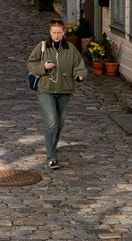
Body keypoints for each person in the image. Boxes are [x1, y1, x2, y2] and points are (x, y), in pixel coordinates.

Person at [27, 18, 87, 169]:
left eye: (59, 32)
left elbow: (79, 65)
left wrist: (80, 75)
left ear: (64, 32)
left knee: (59, 123)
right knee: (52, 122)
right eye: (53, 32)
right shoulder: (42, 47)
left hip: (64, 90)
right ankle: (51, 156)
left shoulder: (71, 49)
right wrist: (44, 67)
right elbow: (31, 64)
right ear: (49, 32)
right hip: (46, 89)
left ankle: (52, 145)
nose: (56, 35)